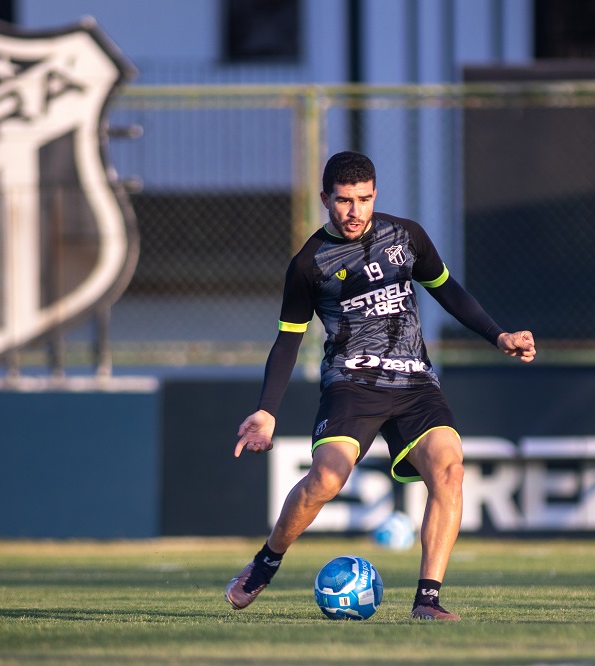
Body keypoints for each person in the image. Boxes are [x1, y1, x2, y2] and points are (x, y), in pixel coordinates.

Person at [224, 151, 535, 620]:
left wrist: (500, 335)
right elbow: (288, 341)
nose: (355, 212)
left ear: (375, 194)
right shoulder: (309, 264)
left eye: (365, 199)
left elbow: (448, 290)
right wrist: (267, 409)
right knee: (327, 479)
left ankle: (427, 601)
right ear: (326, 198)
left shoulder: (405, 236)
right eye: (345, 201)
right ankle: (266, 564)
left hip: (415, 382)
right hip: (352, 384)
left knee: (450, 471)